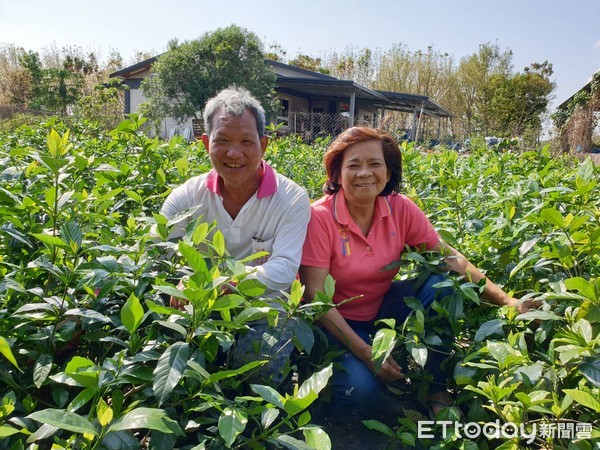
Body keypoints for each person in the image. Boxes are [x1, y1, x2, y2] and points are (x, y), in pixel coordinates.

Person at [299, 127, 532, 416]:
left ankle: (435, 384)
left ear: (388, 172)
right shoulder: (320, 217)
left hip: (382, 308)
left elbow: (449, 259)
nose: (365, 173)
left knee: (441, 287)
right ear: (336, 174)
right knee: (360, 393)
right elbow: (316, 299)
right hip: (335, 324)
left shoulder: (400, 209)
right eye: (353, 165)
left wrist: (508, 302)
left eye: (375, 164)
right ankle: (340, 372)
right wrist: (365, 353)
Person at [160, 86, 311, 385]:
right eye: (223, 141)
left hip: (264, 309)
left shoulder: (291, 198)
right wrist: (181, 282)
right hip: (197, 303)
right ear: (205, 143)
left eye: (246, 142)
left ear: (264, 145)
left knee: (259, 365)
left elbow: (284, 270)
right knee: (180, 363)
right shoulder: (185, 198)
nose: (234, 153)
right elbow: (160, 254)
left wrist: (226, 283)